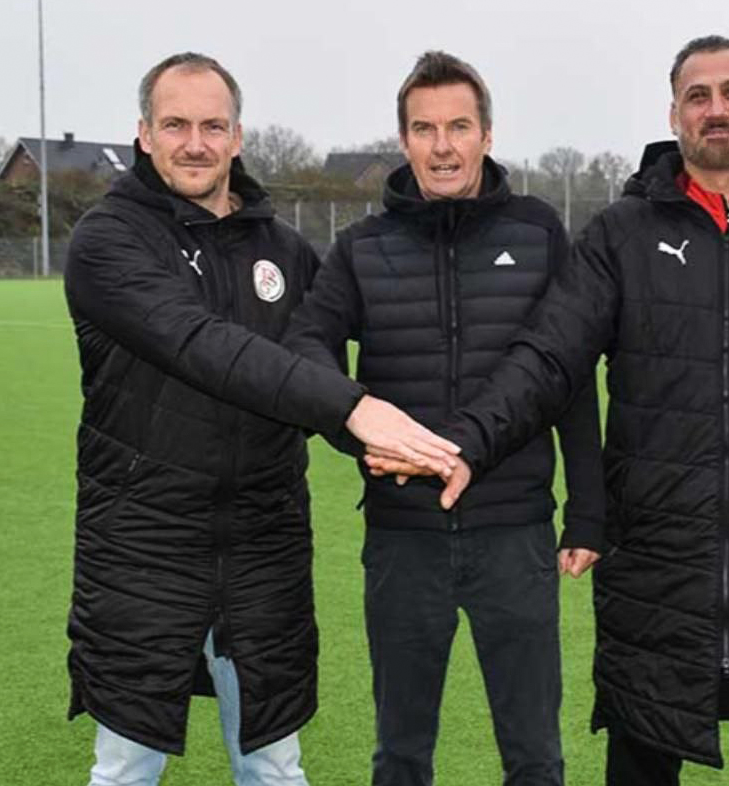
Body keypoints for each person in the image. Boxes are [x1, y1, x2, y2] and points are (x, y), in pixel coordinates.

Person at [376, 35, 729, 786]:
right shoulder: (620, 234)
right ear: (673, 114)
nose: (715, 109)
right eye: (697, 96)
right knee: (642, 759)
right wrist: (466, 442)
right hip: (655, 567)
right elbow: (548, 357)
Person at [62, 51, 459, 786]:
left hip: (264, 544)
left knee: (274, 764)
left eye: (213, 126)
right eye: (175, 125)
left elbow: (312, 374)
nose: (195, 143)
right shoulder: (108, 241)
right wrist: (356, 409)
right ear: (143, 133)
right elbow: (201, 344)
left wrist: (394, 442)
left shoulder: (284, 251)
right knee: (125, 767)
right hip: (144, 543)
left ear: (238, 136)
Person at [282, 51, 606, 786]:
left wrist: (588, 509)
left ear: (487, 134)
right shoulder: (362, 249)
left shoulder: (537, 233)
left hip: (514, 532)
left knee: (534, 754)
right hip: (403, 538)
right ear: (403, 140)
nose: (442, 147)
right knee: (400, 753)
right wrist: (357, 428)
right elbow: (305, 347)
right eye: (424, 129)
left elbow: (569, 374)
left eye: (458, 127)